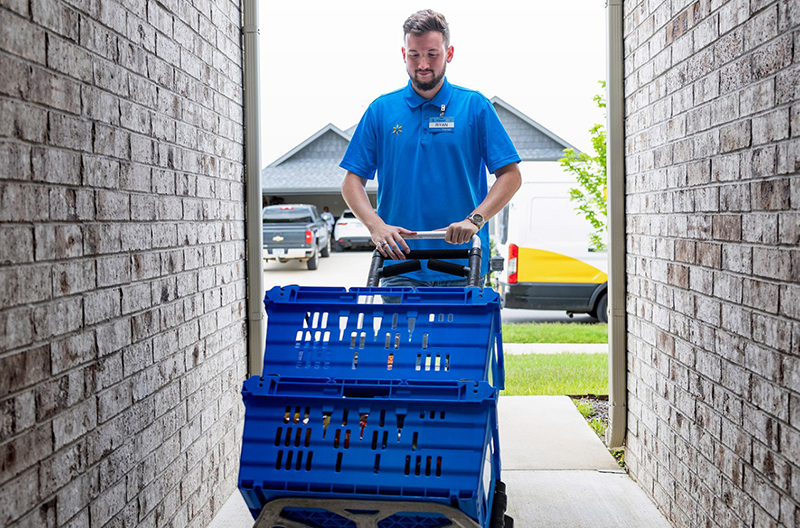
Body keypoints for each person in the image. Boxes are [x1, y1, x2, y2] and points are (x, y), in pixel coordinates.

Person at [340, 9, 521, 288]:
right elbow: (352, 181)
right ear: (403, 54)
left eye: (432, 54)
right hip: (399, 264)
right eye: (414, 55)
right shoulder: (381, 110)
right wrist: (376, 226)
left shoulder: (475, 107)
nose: (423, 64)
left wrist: (475, 219)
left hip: (463, 264)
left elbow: (511, 175)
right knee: (398, 335)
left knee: (461, 334)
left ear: (448, 54)